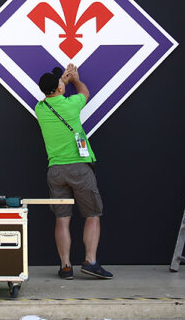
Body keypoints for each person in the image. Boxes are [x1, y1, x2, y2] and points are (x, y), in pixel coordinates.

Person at [34, 63, 112, 280]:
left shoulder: (40, 109)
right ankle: (90, 261)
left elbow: (52, 93)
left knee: (62, 219)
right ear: (59, 89)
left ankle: (65, 266)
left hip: (55, 172)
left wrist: (62, 81)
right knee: (93, 215)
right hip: (79, 168)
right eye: (60, 83)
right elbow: (84, 92)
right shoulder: (71, 105)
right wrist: (74, 79)